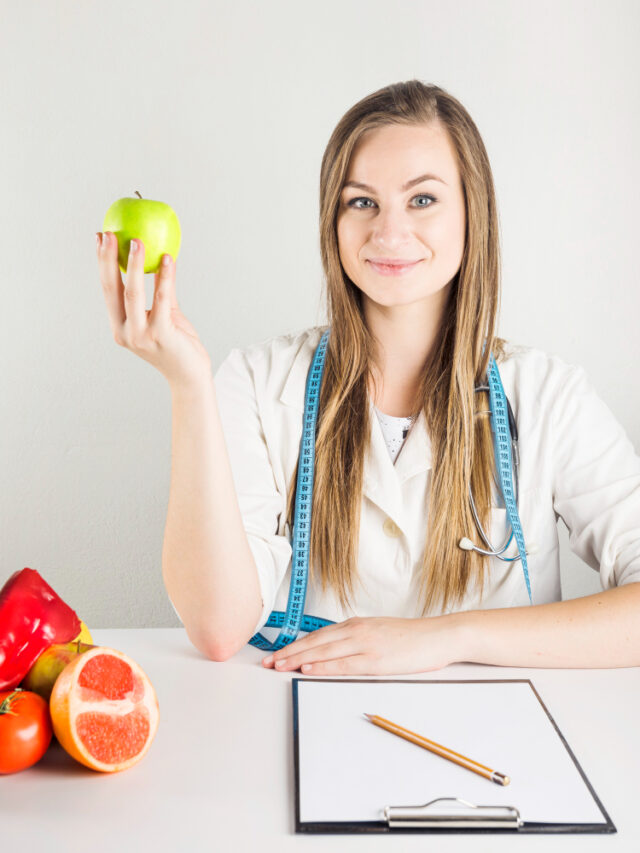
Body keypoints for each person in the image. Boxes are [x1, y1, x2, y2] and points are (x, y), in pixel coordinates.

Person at [96, 80, 640, 675]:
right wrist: (187, 385)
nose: (388, 232)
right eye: (362, 202)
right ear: (333, 219)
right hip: (304, 726)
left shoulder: (549, 396)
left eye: (423, 199)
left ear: (472, 211)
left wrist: (445, 638)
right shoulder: (254, 382)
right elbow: (220, 627)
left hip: (503, 742)